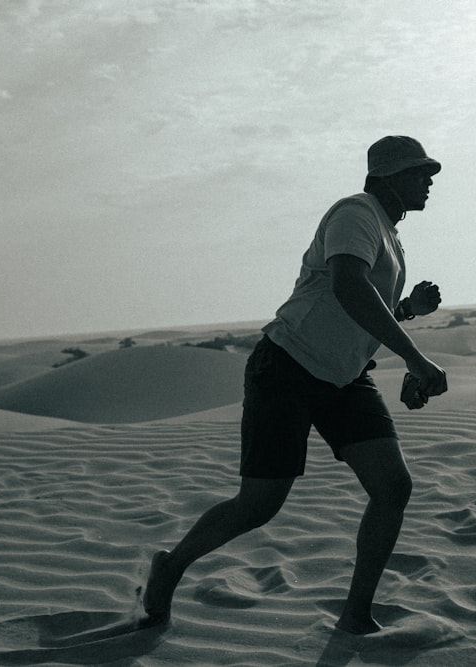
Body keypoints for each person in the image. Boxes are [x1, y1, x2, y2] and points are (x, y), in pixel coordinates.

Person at [142, 135, 449, 635]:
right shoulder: (356, 212)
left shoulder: (389, 235)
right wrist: (415, 358)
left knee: (393, 486)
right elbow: (347, 285)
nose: (429, 182)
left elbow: (357, 314)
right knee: (259, 504)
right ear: (390, 177)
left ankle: (355, 616)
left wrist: (408, 311)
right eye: (421, 173)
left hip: (343, 380)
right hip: (287, 367)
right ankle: (170, 567)